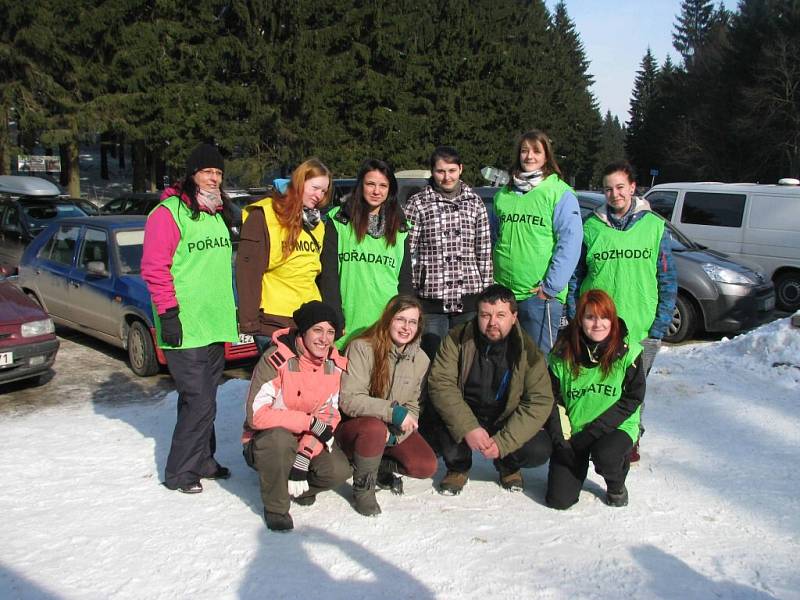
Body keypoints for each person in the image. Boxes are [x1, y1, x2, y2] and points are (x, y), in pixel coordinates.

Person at [141, 143, 239, 494]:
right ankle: (180, 472)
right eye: (207, 172)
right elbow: (154, 268)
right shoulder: (168, 213)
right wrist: (168, 313)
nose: (213, 178)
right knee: (199, 399)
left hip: (213, 322)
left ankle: (203, 459)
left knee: (205, 396)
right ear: (192, 174)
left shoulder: (217, 213)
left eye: (218, 173)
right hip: (184, 324)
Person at [570, 160, 677, 461]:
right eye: (608, 189)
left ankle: (630, 437)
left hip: (641, 328)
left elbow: (667, 280)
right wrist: (574, 316)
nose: (614, 194)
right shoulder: (591, 227)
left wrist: (659, 326)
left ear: (632, 187)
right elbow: (576, 276)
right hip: (598, 327)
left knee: (634, 388)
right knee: (600, 383)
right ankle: (596, 436)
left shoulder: (654, 226)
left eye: (620, 187)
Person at [423, 284, 554, 495]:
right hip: (467, 410)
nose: (492, 322)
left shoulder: (528, 352)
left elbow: (539, 401)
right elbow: (441, 383)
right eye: (485, 315)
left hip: (504, 417)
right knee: (440, 418)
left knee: (538, 448)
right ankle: (458, 467)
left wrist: (504, 443)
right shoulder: (457, 339)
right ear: (477, 315)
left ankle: (508, 466)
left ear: (514, 316)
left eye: (500, 315)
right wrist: (468, 428)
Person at [241, 301, 351, 532]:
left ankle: (295, 484)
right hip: (268, 440)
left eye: (330, 332)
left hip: (305, 439)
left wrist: (305, 454)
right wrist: (308, 422)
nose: (324, 339)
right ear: (303, 332)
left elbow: (329, 415)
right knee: (279, 441)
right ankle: (276, 506)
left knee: (339, 470)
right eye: (317, 330)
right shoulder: (276, 359)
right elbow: (256, 416)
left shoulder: (334, 365)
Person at [336, 295, 438, 516]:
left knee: (425, 465)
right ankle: (363, 489)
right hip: (356, 427)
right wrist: (393, 413)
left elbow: (414, 405)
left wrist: (395, 437)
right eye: (400, 319)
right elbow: (349, 399)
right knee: (374, 428)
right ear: (388, 319)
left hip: (390, 430)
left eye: (412, 322)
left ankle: (379, 464)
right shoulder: (362, 347)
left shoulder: (420, 359)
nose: (406, 327)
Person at [546, 289, 645, 509]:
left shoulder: (629, 352)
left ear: (613, 320)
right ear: (580, 320)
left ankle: (616, 483)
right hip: (575, 429)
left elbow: (633, 397)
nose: (598, 324)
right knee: (559, 500)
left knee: (606, 456)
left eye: (604, 317)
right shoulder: (562, 353)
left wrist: (592, 433)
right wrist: (562, 438)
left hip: (615, 426)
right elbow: (552, 399)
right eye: (590, 317)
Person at [492, 130, 582, 354]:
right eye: (524, 151)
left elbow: (570, 243)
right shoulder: (504, 194)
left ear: (546, 156)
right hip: (504, 295)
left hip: (539, 297)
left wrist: (550, 287)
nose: (529, 156)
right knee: (504, 360)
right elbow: (492, 239)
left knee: (536, 365)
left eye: (536, 151)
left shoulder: (559, 192)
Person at [405, 146, 494, 358]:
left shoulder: (475, 203)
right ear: (432, 172)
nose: (447, 177)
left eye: (452, 170)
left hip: (469, 297)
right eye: (441, 171)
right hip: (431, 298)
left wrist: (487, 292)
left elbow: (483, 250)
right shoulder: (418, 203)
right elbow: (406, 251)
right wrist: (410, 291)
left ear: (461, 169)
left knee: (467, 358)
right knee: (433, 357)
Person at [236, 158, 332, 353]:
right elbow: (248, 271)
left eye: (323, 191)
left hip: (307, 319)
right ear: (299, 181)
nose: (319, 196)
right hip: (273, 320)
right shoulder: (265, 215)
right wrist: (249, 322)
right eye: (315, 188)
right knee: (276, 381)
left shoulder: (317, 225)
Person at [320, 158, 413, 349]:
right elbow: (328, 275)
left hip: (387, 324)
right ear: (360, 185)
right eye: (370, 184)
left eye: (383, 186)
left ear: (390, 190)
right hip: (347, 325)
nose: (376, 191)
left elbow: (405, 281)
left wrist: (405, 319)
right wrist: (335, 317)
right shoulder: (339, 220)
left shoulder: (401, 227)